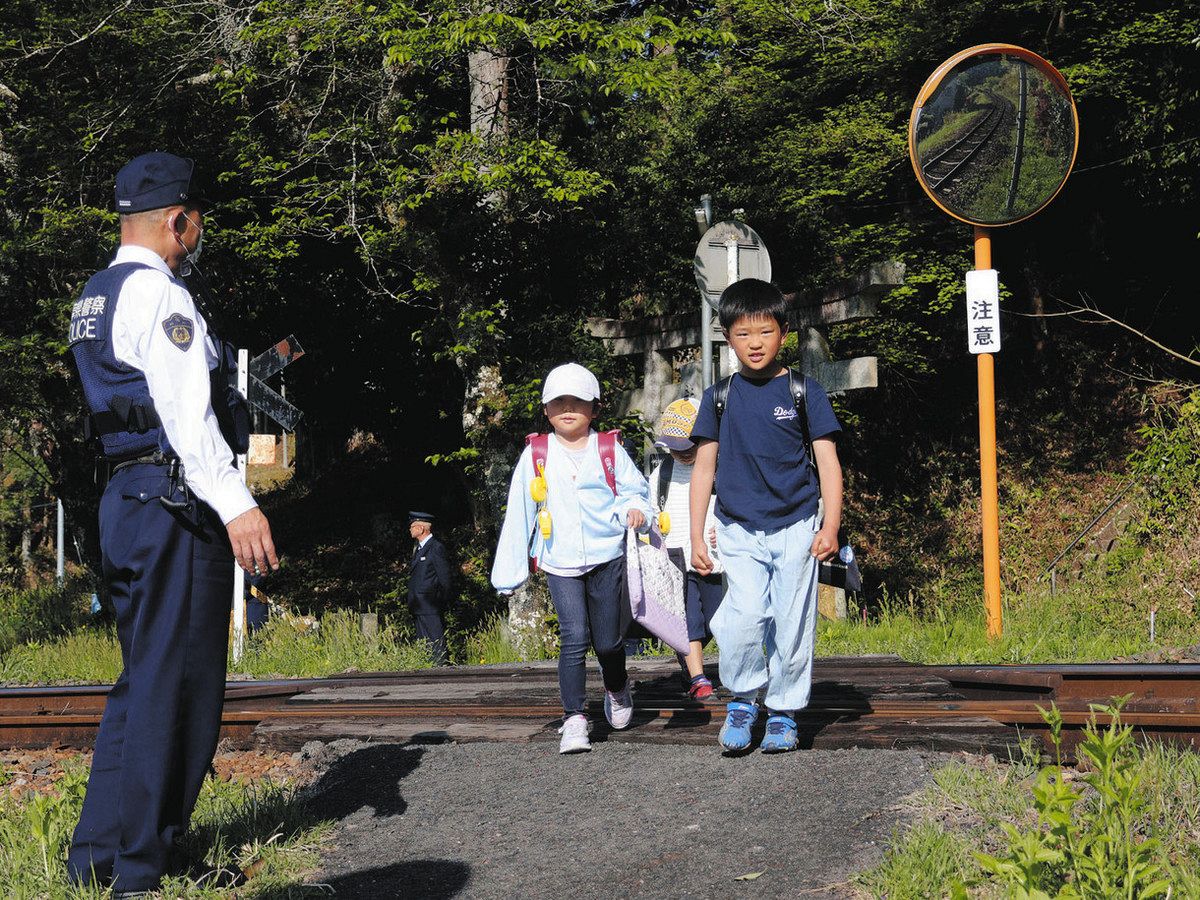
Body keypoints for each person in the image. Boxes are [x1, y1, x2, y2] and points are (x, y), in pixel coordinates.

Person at [65, 152, 279, 896]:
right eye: (194, 219)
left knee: (139, 684)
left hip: (123, 501)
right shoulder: (166, 297)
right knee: (180, 688)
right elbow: (188, 417)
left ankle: (98, 859)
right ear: (175, 219)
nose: (197, 233)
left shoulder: (95, 294)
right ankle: (142, 871)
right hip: (172, 503)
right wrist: (238, 504)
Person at [688, 278, 843, 754]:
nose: (754, 344)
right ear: (727, 337)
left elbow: (829, 463)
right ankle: (742, 698)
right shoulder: (719, 396)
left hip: (797, 525)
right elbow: (703, 470)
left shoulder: (803, 391)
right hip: (737, 527)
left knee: (793, 624)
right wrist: (696, 534)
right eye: (742, 334)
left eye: (765, 332)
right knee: (742, 618)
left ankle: (782, 712)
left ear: (783, 332)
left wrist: (831, 525)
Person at [492, 363, 653, 754]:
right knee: (574, 638)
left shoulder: (609, 448)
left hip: (606, 555)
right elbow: (520, 512)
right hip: (558, 560)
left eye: (578, 402)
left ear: (594, 409)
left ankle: (617, 687)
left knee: (609, 642)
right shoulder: (537, 453)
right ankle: (575, 718)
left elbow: (636, 490)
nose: (568, 408)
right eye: (559, 401)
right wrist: (509, 573)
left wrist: (636, 510)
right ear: (546, 410)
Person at [648, 398, 723, 699]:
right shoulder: (661, 474)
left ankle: (728, 669)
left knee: (719, 620)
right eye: (673, 446)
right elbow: (650, 513)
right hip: (675, 560)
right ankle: (698, 678)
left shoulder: (721, 469)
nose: (680, 452)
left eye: (687, 446)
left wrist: (725, 530)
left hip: (717, 561)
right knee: (688, 620)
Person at [407, 510, 453, 665]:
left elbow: (444, 577)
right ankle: (427, 665)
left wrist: (441, 599)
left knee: (435, 638)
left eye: (413, 526)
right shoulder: (419, 549)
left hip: (430, 602)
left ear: (421, 528)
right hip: (419, 603)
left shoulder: (435, 547)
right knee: (423, 639)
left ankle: (440, 667)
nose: (410, 529)